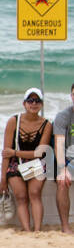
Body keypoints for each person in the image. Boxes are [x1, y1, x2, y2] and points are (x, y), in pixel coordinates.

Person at [0, 88, 52, 233]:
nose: (33, 104)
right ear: (24, 103)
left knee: (34, 193)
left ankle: (37, 230)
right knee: (21, 197)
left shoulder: (46, 124)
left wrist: (15, 152)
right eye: (30, 100)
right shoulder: (13, 121)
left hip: (37, 164)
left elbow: (40, 153)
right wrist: (3, 179)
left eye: (37, 101)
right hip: (16, 164)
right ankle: (27, 230)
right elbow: (6, 153)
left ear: (41, 104)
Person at [53, 83, 74, 235]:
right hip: (69, 159)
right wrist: (62, 168)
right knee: (62, 182)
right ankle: (65, 227)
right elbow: (59, 144)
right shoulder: (63, 116)